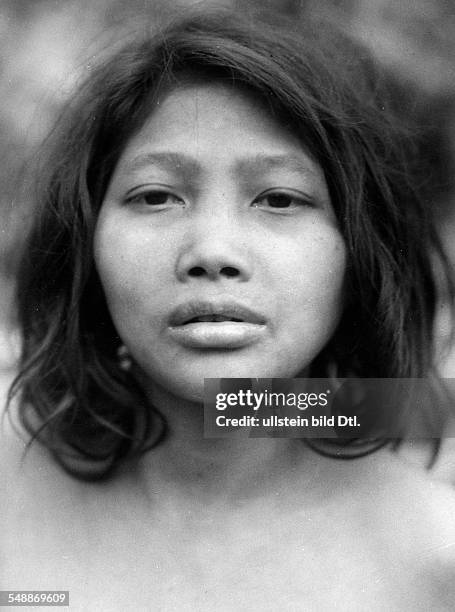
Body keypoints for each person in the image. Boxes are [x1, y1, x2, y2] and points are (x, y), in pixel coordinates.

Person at [2, 8, 455, 610]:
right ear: (83, 243)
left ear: (361, 250)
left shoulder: (431, 559)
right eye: (156, 195)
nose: (212, 251)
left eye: (279, 198)